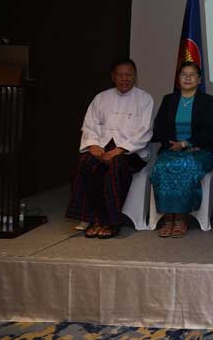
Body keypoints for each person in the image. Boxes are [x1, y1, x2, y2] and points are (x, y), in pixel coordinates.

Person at [66, 58, 153, 239]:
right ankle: (93, 218)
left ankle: (112, 221)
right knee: (85, 163)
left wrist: (119, 150)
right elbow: (89, 126)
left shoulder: (144, 99)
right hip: (102, 148)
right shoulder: (101, 98)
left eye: (128, 75)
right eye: (120, 75)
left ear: (135, 77)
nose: (124, 79)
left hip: (131, 153)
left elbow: (144, 132)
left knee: (116, 166)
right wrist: (93, 146)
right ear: (113, 77)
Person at [151, 61, 213, 238]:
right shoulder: (169, 100)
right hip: (171, 150)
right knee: (161, 167)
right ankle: (168, 217)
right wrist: (172, 144)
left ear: (199, 79)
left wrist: (186, 143)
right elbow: (158, 129)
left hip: (200, 151)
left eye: (192, 74)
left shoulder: (207, 101)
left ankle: (181, 217)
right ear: (178, 78)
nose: (188, 78)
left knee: (186, 165)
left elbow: (210, 132)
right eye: (184, 74)